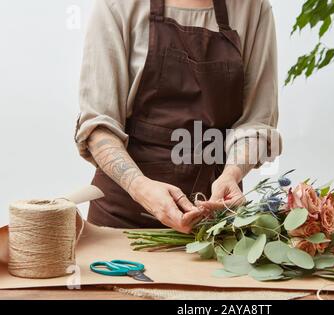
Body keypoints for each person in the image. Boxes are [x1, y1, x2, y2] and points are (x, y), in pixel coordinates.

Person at [74, 0, 281, 233]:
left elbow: (255, 124)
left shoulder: (253, 8)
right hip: (123, 218)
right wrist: (140, 187)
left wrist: (232, 174)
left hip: (212, 221)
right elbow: (98, 127)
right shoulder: (117, 6)